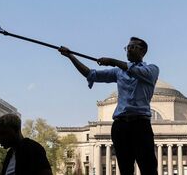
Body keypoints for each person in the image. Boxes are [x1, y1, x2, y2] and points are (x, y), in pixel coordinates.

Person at [59, 37, 159, 175]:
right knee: (125, 168)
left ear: (143, 51)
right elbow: (90, 74)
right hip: (120, 126)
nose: (128, 50)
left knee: (148, 168)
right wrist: (70, 56)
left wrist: (112, 62)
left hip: (140, 125)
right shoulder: (119, 72)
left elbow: (136, 71)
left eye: (132, 47)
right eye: (127, 47)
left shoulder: (152, 70)